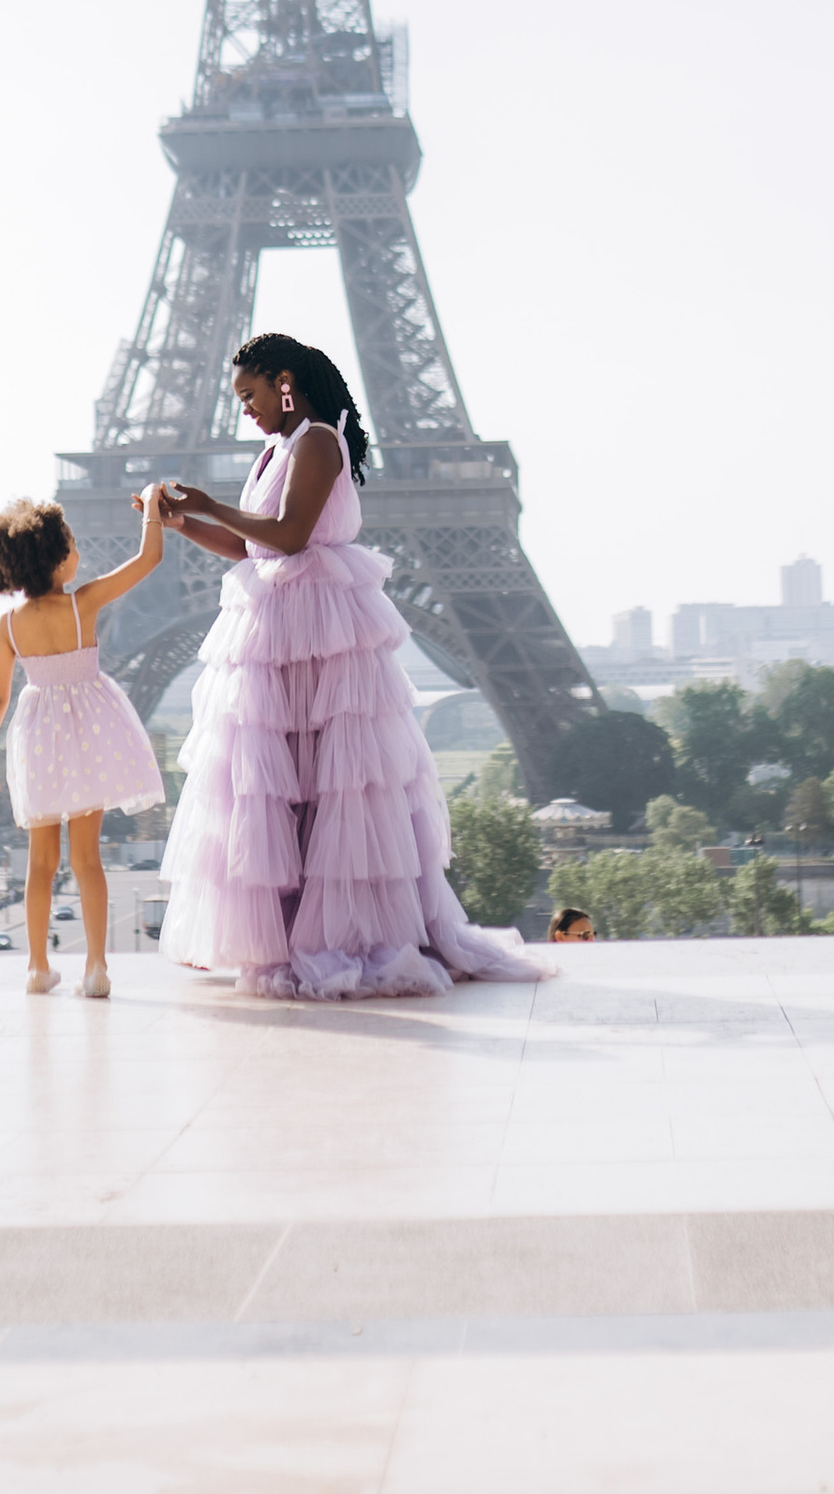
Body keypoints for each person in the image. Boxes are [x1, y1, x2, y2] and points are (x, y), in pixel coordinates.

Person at [155, 332, 548, 1000]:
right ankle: (296, 929)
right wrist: (181, 521)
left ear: (283, 381)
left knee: (324, 780)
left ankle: (334, 935)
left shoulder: (315, 441)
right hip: (283, 626)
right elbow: (253, 547)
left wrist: (207, 502)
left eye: (249, 395)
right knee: (292, 785)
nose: (244, 410)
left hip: (317, 629)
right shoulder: (278, 446)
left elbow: (290, 534)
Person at [0, 488, 170, 996]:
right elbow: (149, 557)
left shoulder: (9, 626)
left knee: (41, 862)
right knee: (88, 859)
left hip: (38, 738)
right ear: (58, 559)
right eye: (74, 545)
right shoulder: (84, 603)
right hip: (90, 735)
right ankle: (96, 967)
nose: (80, 553)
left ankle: (37, 966)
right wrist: (151, 506)